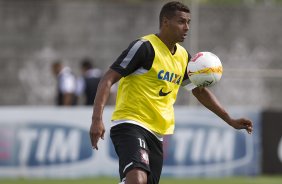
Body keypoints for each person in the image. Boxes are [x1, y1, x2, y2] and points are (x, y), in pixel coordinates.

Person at [89, 1, 253, 184]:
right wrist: (97, 119)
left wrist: (229, 119)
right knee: (137, 179)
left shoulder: (183, 57)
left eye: (188, 22)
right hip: (130, 124)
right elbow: (107, 79)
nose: (187, 27)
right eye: (181, 21)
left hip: (157, 134)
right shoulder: (145, 47)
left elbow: (199, 91)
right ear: (165, 22)